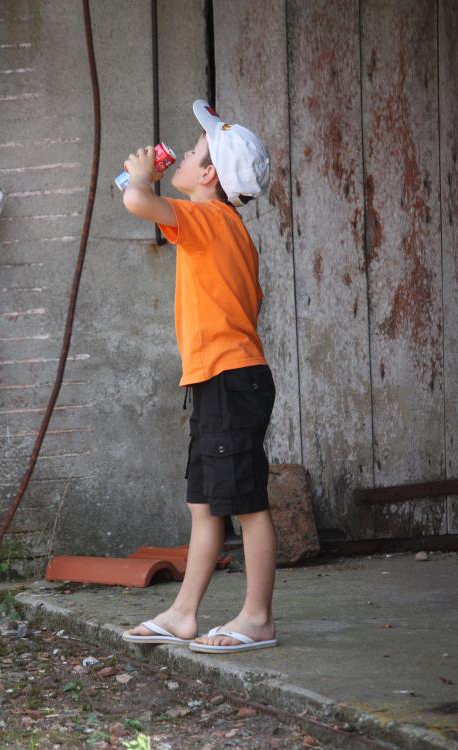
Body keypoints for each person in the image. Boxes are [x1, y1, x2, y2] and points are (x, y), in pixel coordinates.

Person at [121, 100, 277, 653]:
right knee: (205, 502)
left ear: (208, 175)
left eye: (191, 153)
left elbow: (137, 200)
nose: (181, 156)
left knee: (247, 501)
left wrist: (144, 177)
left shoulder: (208, 219)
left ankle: (256, 617)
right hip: (219, 380)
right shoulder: (220, 225)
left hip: (230, 379)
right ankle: (185, 612)